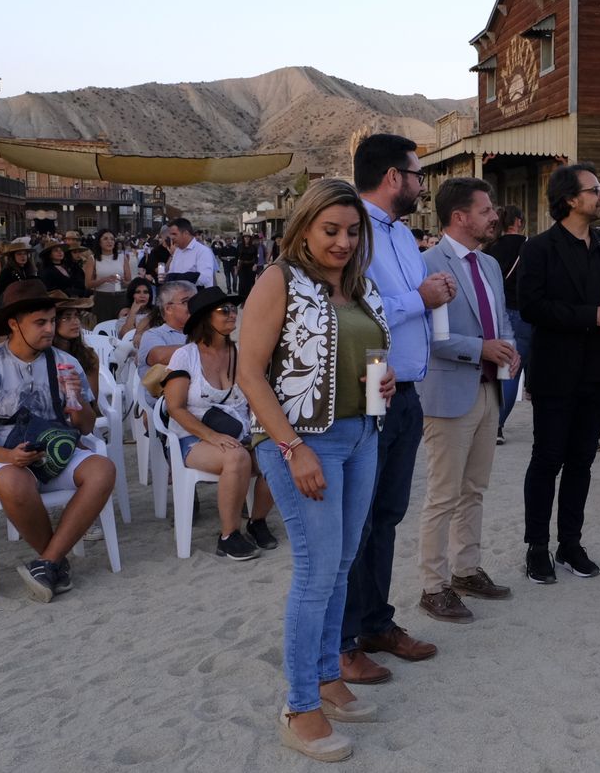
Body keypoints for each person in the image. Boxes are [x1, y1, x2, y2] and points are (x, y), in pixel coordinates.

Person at [238, 178, 392, 761]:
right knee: (316, 570)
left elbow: (363, 357)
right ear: (303, 227)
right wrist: (292, 447)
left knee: (342, 564)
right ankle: (300, 705)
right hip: (303, 441)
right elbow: (249, 373)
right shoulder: (279, 280)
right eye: (330, 230)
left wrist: (382, 385)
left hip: (361, 434)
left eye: (352, 231)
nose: (343, 242)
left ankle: (328, 678)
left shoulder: (360, 285)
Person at [340, 133, 453, 682]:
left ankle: (375, 624)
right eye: (417, 174)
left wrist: (431, 297)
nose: (421, 185)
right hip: (370, 390)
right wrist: (419, 299)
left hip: (405, 393)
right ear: (393, 177)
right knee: (355, 524)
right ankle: (342, 643)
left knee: (386, 516)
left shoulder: (403, 235)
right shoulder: (350, 230)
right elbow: (351, 306)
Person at [0, 280, 117, 602]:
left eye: (52, 321)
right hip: (2, 455)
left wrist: (77, 402)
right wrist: (7, 456)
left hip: (56, 450)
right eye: (40, 322)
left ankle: (48, 562)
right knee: (15, 482)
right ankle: (56, 562)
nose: (50, 329)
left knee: (103, 470)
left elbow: (85, 427)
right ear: (14, 325)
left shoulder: (65, 362)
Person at [518, 162, 600, 583]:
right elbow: (532, 307)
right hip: (555, 370)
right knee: (547, 459)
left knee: (582, 461)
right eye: (595, 190)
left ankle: (570, 543)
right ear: (569, 199)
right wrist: (592, 315)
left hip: (596, 369)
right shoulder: (539, 248)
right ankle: (537, 547)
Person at [415, 178, 517, 623]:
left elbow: (502, 320)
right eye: (485, 210)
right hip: (449, 393)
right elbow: (430, 338)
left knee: (474, 489)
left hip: (490, 389)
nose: (494, 216)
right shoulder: (426, 264)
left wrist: (510, 349)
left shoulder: (490, 264)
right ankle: (433, 586)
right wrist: (481, 349)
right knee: (443, 495)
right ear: (459, 217)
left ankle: (466, 570)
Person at [163, 285, 276, 560]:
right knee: (236, 458)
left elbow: (256, 397)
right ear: (205, 318)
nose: (231, 314)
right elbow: (175, 408)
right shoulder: (185, 356)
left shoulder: (241, 353)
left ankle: (257, 521)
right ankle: (228, 535)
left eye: (233, 308)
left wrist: (261, 432)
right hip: (194, 437)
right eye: (223, 310)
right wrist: (212, 436)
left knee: (278, 453)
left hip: (240, 431)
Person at [483, 205, 530, 445]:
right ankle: (498, 424)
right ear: (518, 221)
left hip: (497, 312)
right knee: (514, 370)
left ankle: (493, 423)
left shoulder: (491, 248)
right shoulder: (528, 245)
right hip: (523, 313)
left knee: (500, 369)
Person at [138, 281, 196, 379]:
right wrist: (204, 349)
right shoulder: (153, 334)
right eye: (185, 302)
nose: (194, 306)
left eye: (195, 301)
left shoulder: (200, 331)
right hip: (166, 388)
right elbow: (159, 357)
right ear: (168, 309)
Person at [89, 230, 131, 322]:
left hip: (120, 297)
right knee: (103, 326)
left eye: (112, 239)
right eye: (105, 239)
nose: (109, 241)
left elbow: (129, 282)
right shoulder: (93, 259)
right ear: (99, 242)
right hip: (102, 298)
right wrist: (104, 279)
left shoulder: (122, 258)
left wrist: (123, 283)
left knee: (120, 326)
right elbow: (88, 284)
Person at [164, 218, 217, 285]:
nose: (171, 237)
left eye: (174, 234)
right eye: (171, 234)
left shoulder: (203, 251)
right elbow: (171, 274)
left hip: (197, 291)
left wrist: (177, 277)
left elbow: (205, 278)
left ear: (186, 233)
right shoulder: (177, 251)